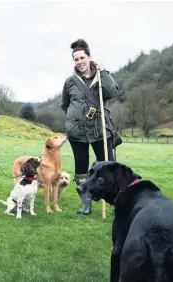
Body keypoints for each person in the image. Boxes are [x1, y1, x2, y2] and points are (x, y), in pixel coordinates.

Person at [60, 39, 122, 215]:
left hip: (100, 130)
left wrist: (103, 71)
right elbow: (65, 105)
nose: (79, 62)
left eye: (82, 58)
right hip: (77, 132)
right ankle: (85, 205)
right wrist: (75, 117)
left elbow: (113, 92)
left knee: (108, 167)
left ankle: (115, 202)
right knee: (81, 168)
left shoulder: (101, 76)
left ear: (89, 57)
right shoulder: (70, 82)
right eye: (76, 59)